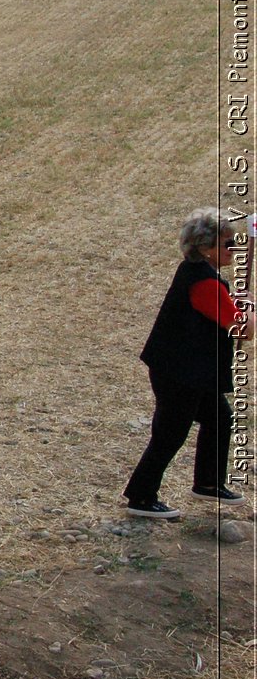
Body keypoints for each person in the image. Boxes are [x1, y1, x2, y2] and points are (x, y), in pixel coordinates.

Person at [123, 209, 249, 517]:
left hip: (189, 370)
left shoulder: (196, 272)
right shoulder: (203, 282)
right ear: (206, 248)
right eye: (227, 244)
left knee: (219, 417)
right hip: (180, 373)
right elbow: (240, 326)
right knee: (170, 433)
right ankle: (141, 498)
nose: (234, 249)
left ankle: (208, 483)